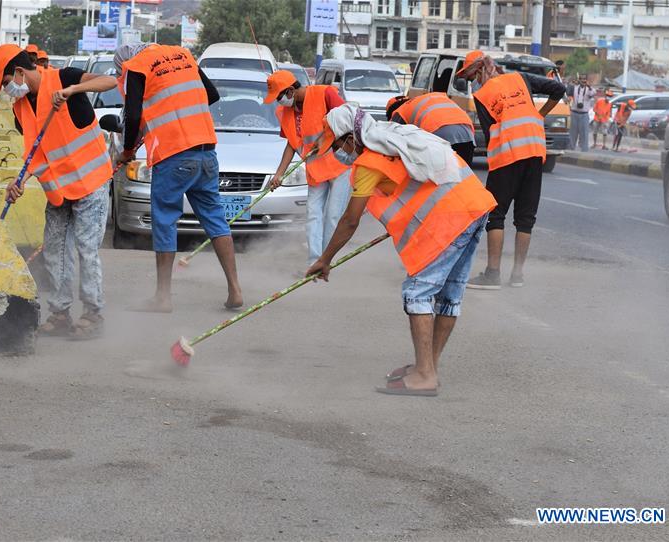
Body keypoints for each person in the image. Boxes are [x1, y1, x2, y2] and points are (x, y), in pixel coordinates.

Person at [306, 104, 496, 396]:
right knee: (449, 295)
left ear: (350, 137)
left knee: (417, 292)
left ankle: (424, 376)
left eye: (338, 145)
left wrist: (325, 259)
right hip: (475, 205)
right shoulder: (394, 134)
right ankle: (428, 367)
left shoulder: (370, 161)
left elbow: (349, 221)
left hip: (452, 217)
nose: (338, 153)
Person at [0, 44, 117, 339]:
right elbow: (36, 150)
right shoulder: (20, 107)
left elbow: (111, 81)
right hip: (57, 190)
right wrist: (19, 180)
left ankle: (93, 314)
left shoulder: (64, 78)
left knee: (86, 249)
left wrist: (73, 90)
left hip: (90, 183)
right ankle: (60, 314)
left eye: (7, 83)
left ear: (20, 72)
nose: (8, 90)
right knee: (55, 251)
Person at [114, 42, 243, 313]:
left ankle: (162, 297)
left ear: (125, 63)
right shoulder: (183, 55)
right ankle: (235, 290)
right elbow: (212, 94)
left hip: (173, 155)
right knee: (216, 220)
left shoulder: (136, 67)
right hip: (206, 151)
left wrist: (127, 151)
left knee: (165, 222)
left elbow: (134, 115)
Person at [456, 51, 565, 290]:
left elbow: (490, 131)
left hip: (507, 155)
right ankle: (517, 275)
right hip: (535, 152)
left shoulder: (482, 95)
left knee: (495, 215)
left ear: (482, 69)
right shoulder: (520, 79)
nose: (473, 82)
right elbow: (559, 90)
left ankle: (493, 274)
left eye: (472, 76)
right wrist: (539, 116)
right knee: (525, 218)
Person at [264, 70, 350, 267]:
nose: (278, 102)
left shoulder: (325, 93)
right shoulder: (285, 113)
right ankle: (314, 262)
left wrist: (327, 135)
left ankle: (327, 261)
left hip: (340, 166)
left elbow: (349, 121)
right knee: (313, 214)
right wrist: (279, 175)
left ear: (290, 91)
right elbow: (291, 145)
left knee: (333, 215)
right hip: (316, 170)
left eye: (279, 97)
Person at [386, 93, 476, 164]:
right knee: (464, 177)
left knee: (438, 179)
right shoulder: (425, 100)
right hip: (467, 133)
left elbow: (390, 139)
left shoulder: (400, 111)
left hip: (438, 133)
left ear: (391, 111)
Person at [567, 76, 596, 151]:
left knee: (584, 134)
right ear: (579, 80)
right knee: (572, 133)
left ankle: (584, 150)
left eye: (584, 79)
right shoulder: (575, 88)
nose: (583, 81)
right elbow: (568, 91)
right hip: (574, 113)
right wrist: (572, 82)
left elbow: (593, 93)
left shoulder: (589, 89)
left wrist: (588, 86)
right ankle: (570, 149)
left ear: (587, 80)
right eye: (581, 79)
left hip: (584, 114)